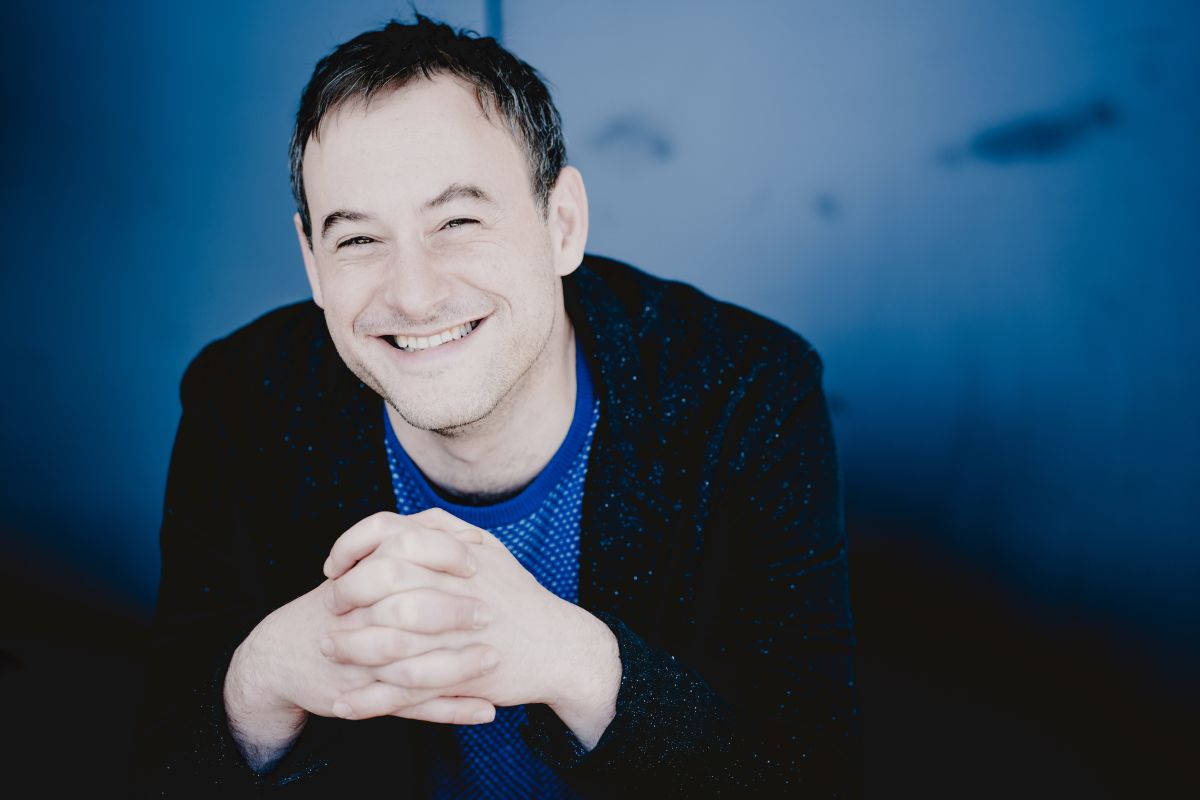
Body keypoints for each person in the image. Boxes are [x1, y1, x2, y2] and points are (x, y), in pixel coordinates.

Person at [133, 14, 860, 798]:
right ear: (312, 263)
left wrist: (582, 664)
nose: (414, 295)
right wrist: (256, 685)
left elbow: (813, 775)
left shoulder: (747, 393)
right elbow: (163, 768)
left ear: (562, 224)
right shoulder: (241, 402)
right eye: (358, 241)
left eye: (458, 221)